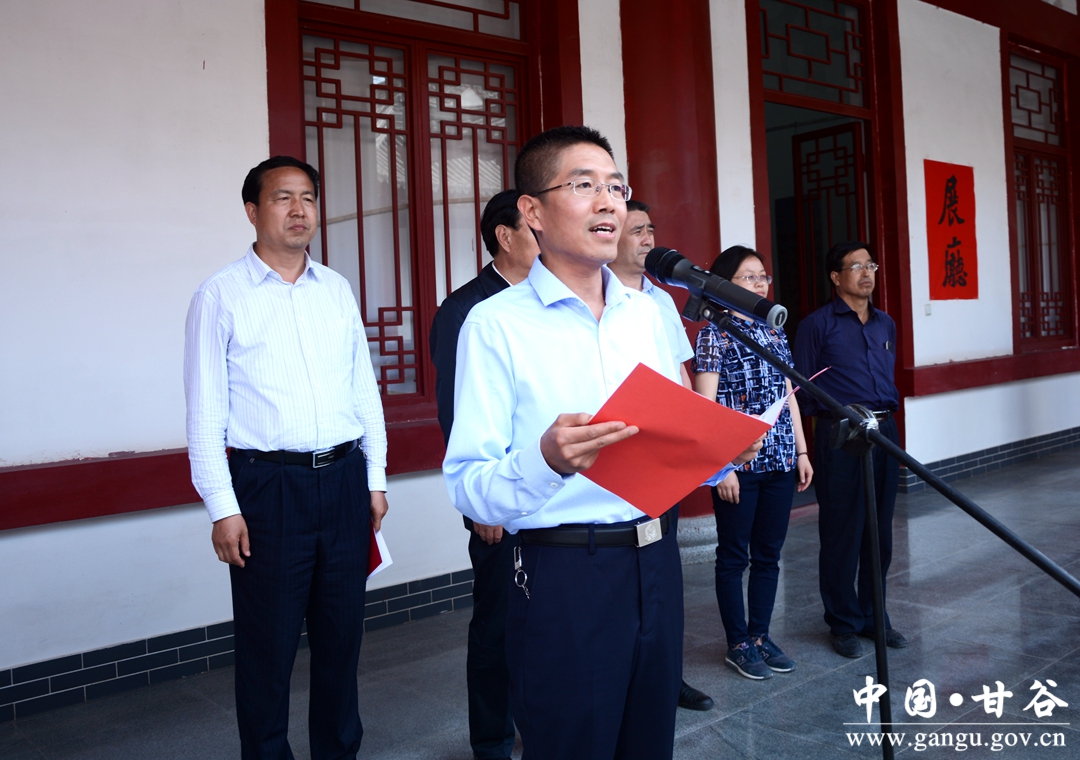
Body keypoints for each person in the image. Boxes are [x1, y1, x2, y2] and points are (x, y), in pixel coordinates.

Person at [444, 126, 762, 759]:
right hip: (563, 574)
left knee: (649, 743)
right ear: (532, 211)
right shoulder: (495, 324)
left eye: (616, 187)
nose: (607, 202)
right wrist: (545, 460)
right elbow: (469, 487)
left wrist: (714, 450)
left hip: (656, 561)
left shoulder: (649, 314)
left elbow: (663, 438)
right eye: (584, 185)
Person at [184, 156, 389, 760]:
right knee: (267, 650)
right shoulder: (220, 295)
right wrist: (223, 508)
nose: (299, 210)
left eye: (308, 198)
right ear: (252, 211)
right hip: (267, 489)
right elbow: (204, 414)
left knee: (341, 643)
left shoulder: (336, 289)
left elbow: (364, 389)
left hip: (344, 481)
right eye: (283, 198)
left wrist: (374, 478)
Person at [429, 188, 539, 760]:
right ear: (505, 236)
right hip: (498, 495)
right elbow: (458, 417)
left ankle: (537, 726)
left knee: (543, 621)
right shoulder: (465, 310)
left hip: (548, 489)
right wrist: (482, 507)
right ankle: (492, 740)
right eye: (535, 230)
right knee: (497, 623)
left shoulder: (545, 300)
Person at [608, 198, 714, 711]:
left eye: (651, 229)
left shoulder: (663, 300)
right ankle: (622, 681)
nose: (648, 239)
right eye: (637, 231)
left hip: (661, 454)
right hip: (616, 458)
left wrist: (701, 438)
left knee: (664, 576)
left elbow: (680, 374)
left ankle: (667, 676)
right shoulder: (596, 298)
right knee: (619, 586)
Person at [692, 246, 813, 680]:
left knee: (768, 555)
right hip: (738, 467)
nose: (760, 284)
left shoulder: (774, 330)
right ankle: (738, 643)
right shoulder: (714, 335)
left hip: (780, 458)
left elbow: (789, 396)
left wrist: (801, 451)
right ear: (725, 284)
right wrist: (721, 467)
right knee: (732, 557)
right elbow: (705, 409)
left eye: (763, 276)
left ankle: (760, 636)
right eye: (749, 277)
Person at [792, 240, 907, 659]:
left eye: (870, 265)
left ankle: (875, 616)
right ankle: (842, 621)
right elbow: (802, 387)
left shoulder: (884, 324)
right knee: (842, 530)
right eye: (856, 266)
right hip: (841, 433)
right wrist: (832, 420)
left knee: (880, 532)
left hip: (884, 431)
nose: (866, 273)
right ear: (836, 277)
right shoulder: (817, 325)